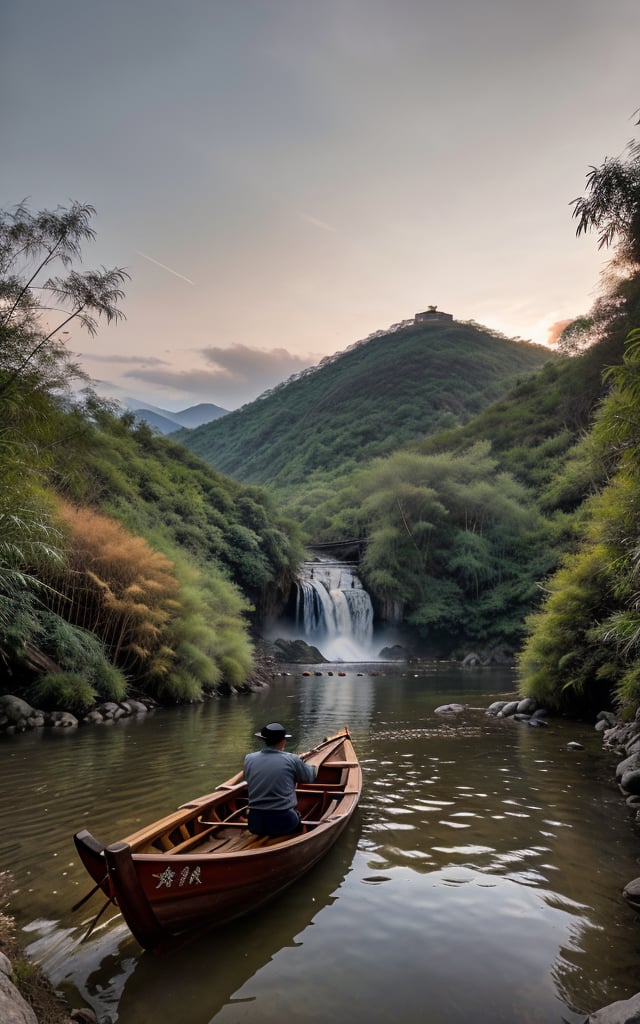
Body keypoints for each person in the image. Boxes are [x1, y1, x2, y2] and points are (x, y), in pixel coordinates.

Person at [243, 723, 317, 836]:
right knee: (294, 819)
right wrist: (313, 766)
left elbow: (248, 779)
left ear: (264, 740)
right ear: (283, 741)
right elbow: (309, 778)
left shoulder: (249, 758)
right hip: (284, 822)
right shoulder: (292, 759)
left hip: (255, 823)